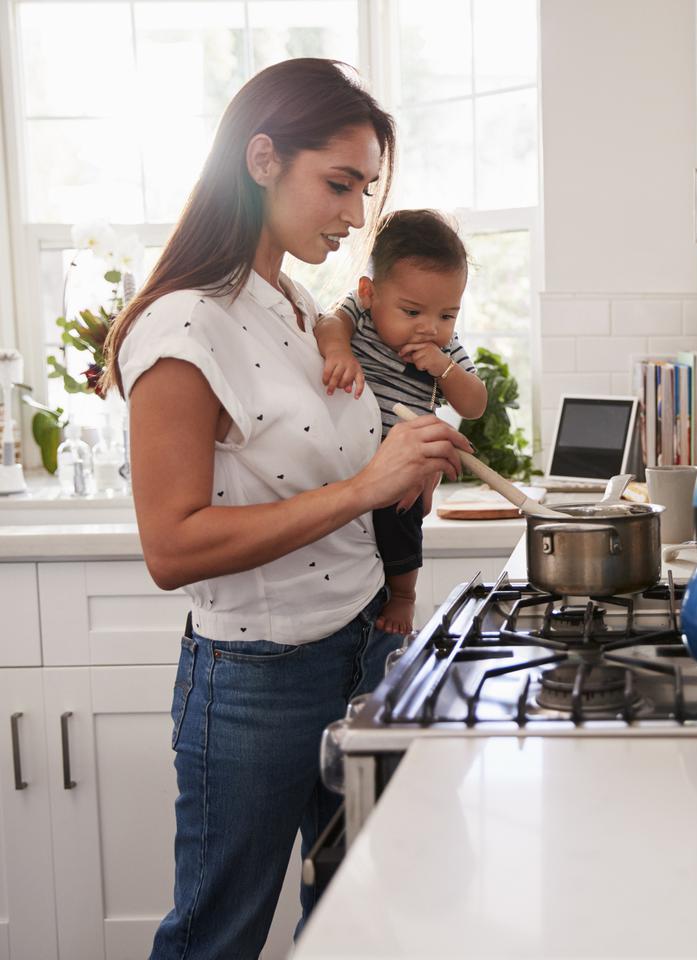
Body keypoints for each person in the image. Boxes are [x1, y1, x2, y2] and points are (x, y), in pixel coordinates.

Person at [102, 58, 472, 959]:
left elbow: (335, 462)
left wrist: (408, 459)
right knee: (216, 935)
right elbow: (172, 546)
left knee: (347, 922)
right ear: (262, 158)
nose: (355, 217)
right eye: (338, 184)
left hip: (360, 649)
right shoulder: (183, 326)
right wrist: (366, 486)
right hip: (254, 683)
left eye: (365, 189)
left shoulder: (300, 306)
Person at [314, 208, 489, 634]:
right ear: (370, 292)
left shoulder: (444, 355)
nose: (429, 328)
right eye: (412, 312)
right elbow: (327, 325)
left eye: (446, 316)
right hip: (350, 464)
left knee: (401, 525)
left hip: (403, 468)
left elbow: (476, 404)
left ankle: (404, 595)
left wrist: (442, 369)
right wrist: (339, 352)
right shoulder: (359, 315)